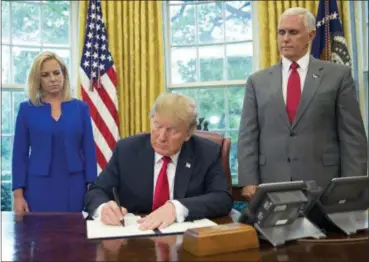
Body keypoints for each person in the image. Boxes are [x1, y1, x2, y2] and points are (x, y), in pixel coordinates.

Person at [237, 7, 367, 199]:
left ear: (311, 35)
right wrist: (249, 180)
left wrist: (351, 186)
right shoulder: (258, 81)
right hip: (272, 184)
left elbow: (353, 138)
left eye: (293, 32)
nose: (285, 39)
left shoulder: (337, 76)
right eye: (281, 32)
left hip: (324, 184)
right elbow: (248, 136)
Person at [85, 93, 233, 230]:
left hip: (186, 241)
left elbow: (222, 198)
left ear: (188, 133)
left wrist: (176, 208)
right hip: (135, 238)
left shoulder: (207, 152)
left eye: (172, 130)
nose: (161, 137)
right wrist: (103, 208)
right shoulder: (127, 150)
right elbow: (96, 191)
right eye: (157, 125)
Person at [12, 51, 97, 212]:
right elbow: (19, 155)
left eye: (56, 73)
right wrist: (18, 196)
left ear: (64, 74)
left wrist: (92, 188)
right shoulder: (27, 109)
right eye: (45, 75)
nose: (52, 79)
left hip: (74, 184)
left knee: (73, 234)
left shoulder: (80, 108)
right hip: (38, 185)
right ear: (38, 79)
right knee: (40, 234)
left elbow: (89, 151)